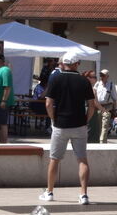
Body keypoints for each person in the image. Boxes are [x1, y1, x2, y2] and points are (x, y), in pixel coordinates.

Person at [40, 49, 97, 204]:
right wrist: (86, 120)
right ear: (77, 64)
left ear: (63, 63)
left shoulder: (55, 78)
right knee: (82, 160)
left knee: (54, 159)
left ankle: (49, 192)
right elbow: (91, 105)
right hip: (79, 124)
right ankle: (83, 194)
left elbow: (48, 103)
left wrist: (53, 119)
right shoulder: (84, 81)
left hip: (60, 124)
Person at [95, 68, 117, 143]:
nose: (101, 77)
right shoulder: (97, 84)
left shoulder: (111, 85)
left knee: (105, 126)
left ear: (107, 76)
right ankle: (98, 141)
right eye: (100, 75)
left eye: (103, 75)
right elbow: (93, 96)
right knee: (98, 125)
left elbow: (115, 98)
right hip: (97, 107)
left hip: (107, 107)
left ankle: (102, 142)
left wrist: (115, 110)